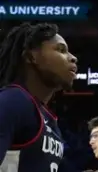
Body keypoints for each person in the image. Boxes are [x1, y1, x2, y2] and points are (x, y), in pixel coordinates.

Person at [0, 23, 77, 172]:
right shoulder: (12, 101)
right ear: (31, 56)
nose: (73, 58)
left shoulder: (47, 117)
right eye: (61, 50)